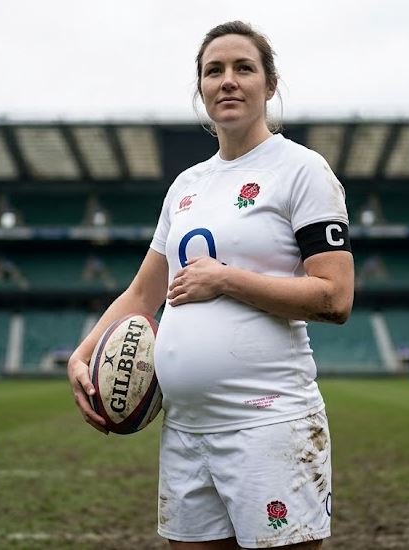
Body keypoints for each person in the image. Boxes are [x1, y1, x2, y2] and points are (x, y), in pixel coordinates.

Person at [67, 20, 354, 550]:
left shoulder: (302, 171)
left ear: (269, 85)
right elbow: (141, 295)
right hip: (186, 430)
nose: (227, 80)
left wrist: (227, 280)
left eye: (243, 68)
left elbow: (334, 297)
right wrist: (80, 356)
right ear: (199, 88)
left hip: (269, 425)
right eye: (213, 70)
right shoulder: (186, 186)